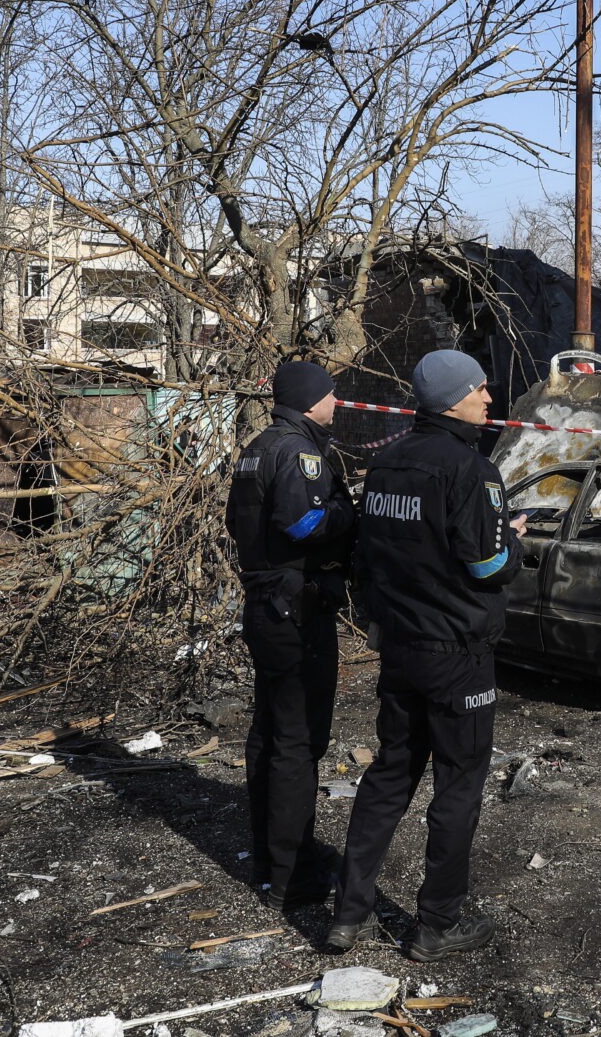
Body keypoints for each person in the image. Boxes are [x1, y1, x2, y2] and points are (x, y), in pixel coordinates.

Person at [329, 350, 528, 961]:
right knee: (458, 787)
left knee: (390, 775)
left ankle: (348, 915)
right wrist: (515, 542)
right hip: (458, 654)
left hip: (400, 649)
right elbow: (487, 564)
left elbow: (372, 555)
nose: (489, 398)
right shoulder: (471, 471)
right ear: (452, 399)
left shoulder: (385, 464)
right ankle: (438, 924)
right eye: (481, 388)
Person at [225, 360, 355, 913]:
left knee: (271, 735)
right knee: (298, 743)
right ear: (309, 400)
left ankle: (268, 860)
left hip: (265, 604)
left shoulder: (257, 446)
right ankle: (294, 874)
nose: (337, 403)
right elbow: (302, 524)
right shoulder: (298, 452)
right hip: (293, 610)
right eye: (331, 395)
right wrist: (352, 516)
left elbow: (238, 522)